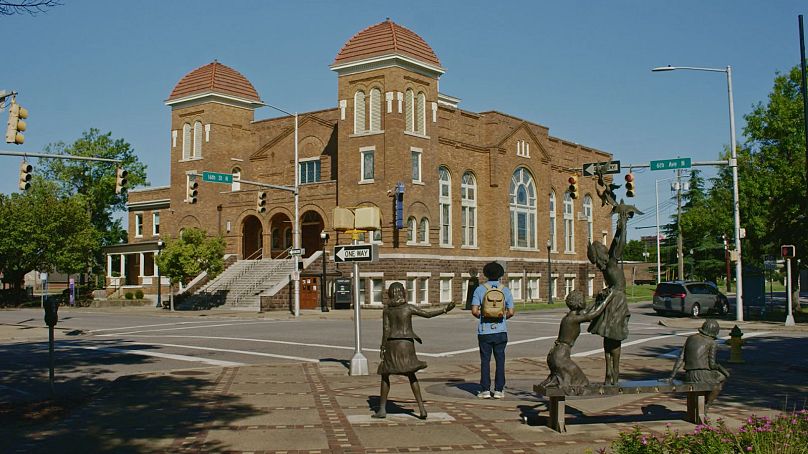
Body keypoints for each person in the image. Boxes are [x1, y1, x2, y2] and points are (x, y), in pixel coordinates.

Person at [374, 282, 455, 419]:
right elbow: (427, 314)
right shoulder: (408, 308)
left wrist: (383, 347)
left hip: (392, 343)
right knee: (411, 374)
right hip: (406, 343)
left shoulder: (387, 310)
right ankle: (421, 408)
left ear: (390, 294)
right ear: (403, 293)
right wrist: (445, 309)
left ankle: (382, 409)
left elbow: (386, 330)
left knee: (385, 374)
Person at [587, 207, 631, 385]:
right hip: (611, 298)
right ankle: (608, 372)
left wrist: (622, 226)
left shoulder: (612, 263)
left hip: (618, 301)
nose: (596, 266)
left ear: (601, 257)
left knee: (615, 336)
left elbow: (618, 244)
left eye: (596, 261)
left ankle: (616, 372)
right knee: (607, 337)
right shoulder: (605, 268)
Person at [538, 289, 614, 394]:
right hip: (561, 356)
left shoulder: (570, 316)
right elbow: (594, 314)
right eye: (583, 300)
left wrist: (598, 299)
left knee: (574, 379)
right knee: (581, 382)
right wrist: (609, 298)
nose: (585, 301)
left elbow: (587, 310)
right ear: (579, 303)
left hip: (555, 354)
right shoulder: (573, 319)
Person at [471, 261, 515, 399]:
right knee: (500, 360)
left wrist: (484, 316)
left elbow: (474, 311)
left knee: (485, 360)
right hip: (501, 331)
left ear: (486, 274)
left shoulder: (479, 289)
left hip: (484, 331)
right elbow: (512, 311)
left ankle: (485, 390)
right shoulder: (505, 290)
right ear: (500, 274)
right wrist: (502, 318)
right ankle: (499, 390)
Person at [669, 319, 730, 407]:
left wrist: (671, 377)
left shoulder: (690, 338)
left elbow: (681, 358)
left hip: (689, 375)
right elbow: (712, 365)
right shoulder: (712, 343)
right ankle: (706, 405)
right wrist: (722, 369)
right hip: (701, 375)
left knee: (709, 379)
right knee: (720, 380)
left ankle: (699, 405)